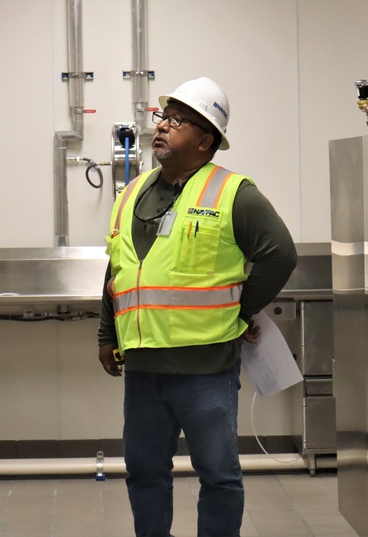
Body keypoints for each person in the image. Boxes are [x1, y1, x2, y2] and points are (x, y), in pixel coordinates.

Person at [98, 76, 298, 537]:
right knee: (145, 474)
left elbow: (280, 254)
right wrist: (107, 334)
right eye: (163, 117)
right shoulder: (131, 192)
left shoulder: (233, 193)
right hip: (144, 369)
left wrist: (240, 311)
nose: (163, 127)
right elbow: (116, 269)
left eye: (178, 121)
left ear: (205, 140)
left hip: (205, 369)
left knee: (219, 477)